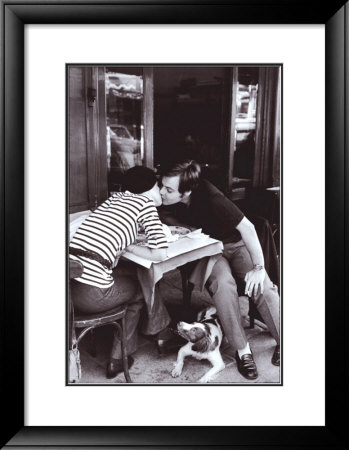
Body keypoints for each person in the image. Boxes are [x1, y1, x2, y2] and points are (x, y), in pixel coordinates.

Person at [158, 160, 280, 380]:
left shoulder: (211, 197)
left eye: (168, 189)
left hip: (236, 243)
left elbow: (248, 228)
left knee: (262, 286)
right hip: (210, 250)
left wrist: (258, 268)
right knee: (223, 286)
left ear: (186, 192)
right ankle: (243, 351)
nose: (162, 192)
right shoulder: (165, 199)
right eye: (162, 186)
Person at [69, 165, 168, 379]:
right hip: (91, 295)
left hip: (69, 290)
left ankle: (161, 329)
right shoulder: (145, 204)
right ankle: (118, 359)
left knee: (132, 276)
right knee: (141, 288)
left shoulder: (114, 199)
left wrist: (126, 245)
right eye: (158, 185)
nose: (160, 190)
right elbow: (160, 254)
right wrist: (131, 247)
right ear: (150, 187)